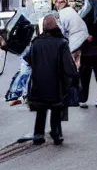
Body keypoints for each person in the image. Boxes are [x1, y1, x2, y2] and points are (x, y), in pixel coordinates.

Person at [24, 15, 78, 145]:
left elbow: (28, 59)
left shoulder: (36, 42)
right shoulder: (61, 43)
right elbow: (68, 66)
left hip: (39, 83)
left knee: (41, 109)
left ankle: (38, 134)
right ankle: (56, 133)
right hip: (56, 84)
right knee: (56, 108)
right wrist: (74, 76)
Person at [55, 0, 89, 68]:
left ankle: (73, 75)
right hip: (83, 36)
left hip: (76, 38)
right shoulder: (70, 10)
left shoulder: (62, 13)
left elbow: (62, 32)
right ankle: (77, 71)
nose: (58, 4)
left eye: (60, 2)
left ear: (65, 2)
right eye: (57, 2)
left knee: (69, 59)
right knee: (77, 58)